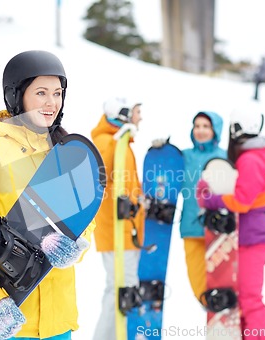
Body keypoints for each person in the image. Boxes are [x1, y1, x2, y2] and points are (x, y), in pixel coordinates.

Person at [0, 50, 96, 340]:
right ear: (16, 96)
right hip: (13, 322)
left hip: (59, 321)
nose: (51, 102)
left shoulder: (64, 154)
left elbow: (84, 218)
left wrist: (76, 245)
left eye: (57, 93)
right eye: (41, 92)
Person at [197, 102, 265, 339]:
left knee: (250, 300)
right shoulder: (250, 157)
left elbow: (241, 201)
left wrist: (211, 198)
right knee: (241, 300)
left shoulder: (251, 160)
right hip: (246, 239)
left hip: (252, 240)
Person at [90, 97, 145, 340]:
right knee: (118, 288)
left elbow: (127, 185)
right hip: (114, 231)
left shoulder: (122, 143)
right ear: (123, 114)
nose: (140, 117)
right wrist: (117, 140)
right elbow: (103, 175)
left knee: (123, 287)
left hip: (125, 229)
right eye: (136, 112)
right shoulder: (106, 141)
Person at [178, 111, 226, 303]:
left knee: (220, 278)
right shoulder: (183, 156)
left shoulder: (224, 156)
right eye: (197, 126)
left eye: (206, 126)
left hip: (218, 229)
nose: (200, 130)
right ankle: (208, 306)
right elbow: (166, 180)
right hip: (191, 227)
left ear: (215, 130)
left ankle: (221, 309)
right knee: (197, 281)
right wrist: (162, 153)